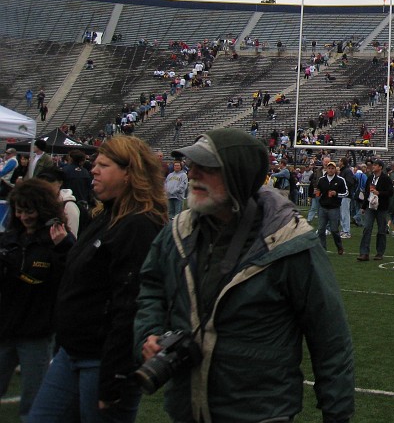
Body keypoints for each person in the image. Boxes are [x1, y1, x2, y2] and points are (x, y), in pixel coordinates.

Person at [135, 128, 355, 423]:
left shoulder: (289, 242)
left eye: (207, 167)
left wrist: (337, 414)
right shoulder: (178, 231)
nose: (193, 174)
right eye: (192, 165)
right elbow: (151, 286)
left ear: (237, 175)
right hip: (187, 409)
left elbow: (330, 336)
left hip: (259, 412)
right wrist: (149, 334)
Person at [28, 136, 167, 423]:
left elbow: (130, 303)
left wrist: (115, 375)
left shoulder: (138, 225)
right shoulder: (107, 214)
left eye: (104, 165)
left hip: (102, 358)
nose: (93, 169)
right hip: (73, 350)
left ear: (129, 173)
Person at [0, 180, 75, 420]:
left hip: (37, 333)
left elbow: (73, 276)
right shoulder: (9, 239)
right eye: (19, 211)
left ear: (42, 210)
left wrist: (64, 247)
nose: (24, 217)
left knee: (34, 402)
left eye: (29, 211)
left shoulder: (57, 240)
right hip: (5, 329)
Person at [357, 159, 394, 261]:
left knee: (381, 230)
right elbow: (367, 193)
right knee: (367, 228)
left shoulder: (386, 178)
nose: (373, 166)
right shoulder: (370, 178)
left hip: (381, 207)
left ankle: (380, 253)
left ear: (380, 167)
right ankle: (364, 253)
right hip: (370, 206)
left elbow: (390, 192)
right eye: (373, 165)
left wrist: (379, 193)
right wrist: (363, 206)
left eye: (375, 165)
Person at [316, 160, 347, 255]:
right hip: (323, 207)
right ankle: (323, 248)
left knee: (334, 230)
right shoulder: (322, 179)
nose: (330, 170)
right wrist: (316, 193)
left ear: (335, 170)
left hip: (334, 208)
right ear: (326, 169)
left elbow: (346, 193)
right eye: (329, 168)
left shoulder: (340, 180)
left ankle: (339, 246)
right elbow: (318, 190)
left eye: (332, 168)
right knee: (321, 230)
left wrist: (336, 194)